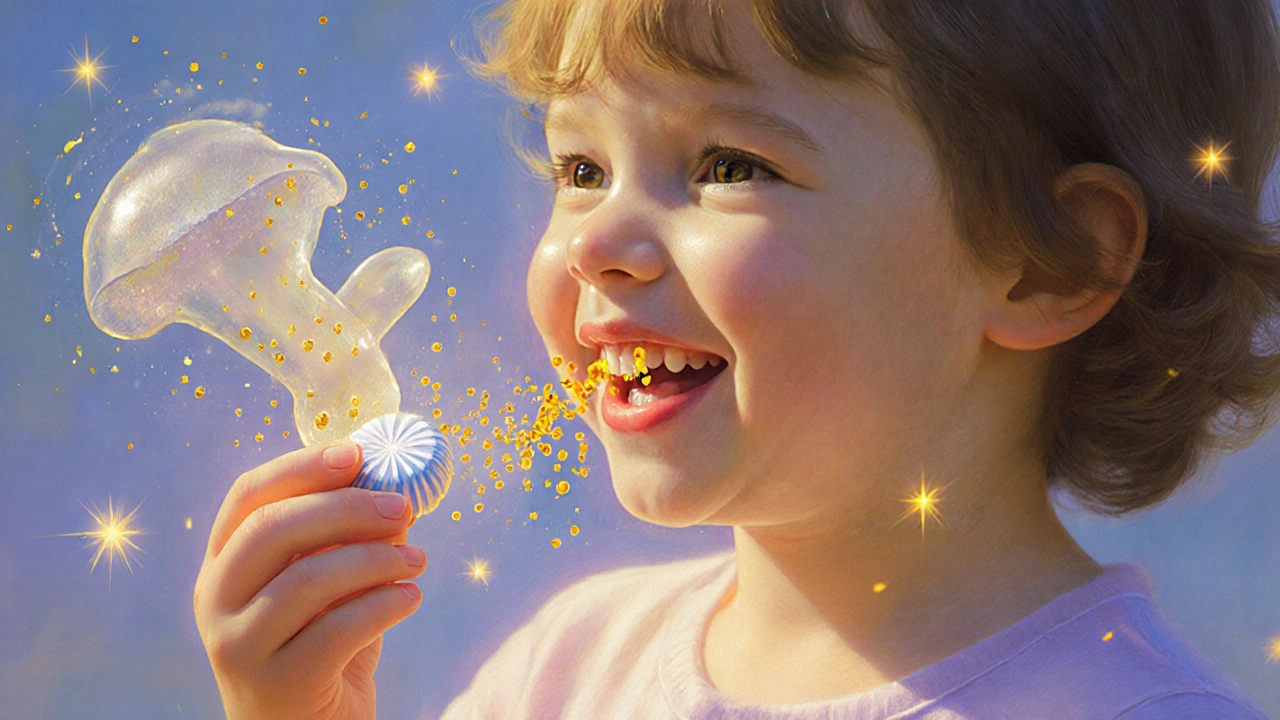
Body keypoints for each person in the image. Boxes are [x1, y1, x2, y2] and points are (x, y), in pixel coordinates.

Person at [193, 1, 1280, 717]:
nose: (591, 247)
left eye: (724, 164)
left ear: (1044, 263)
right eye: (579, 165)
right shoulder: (567, 673)